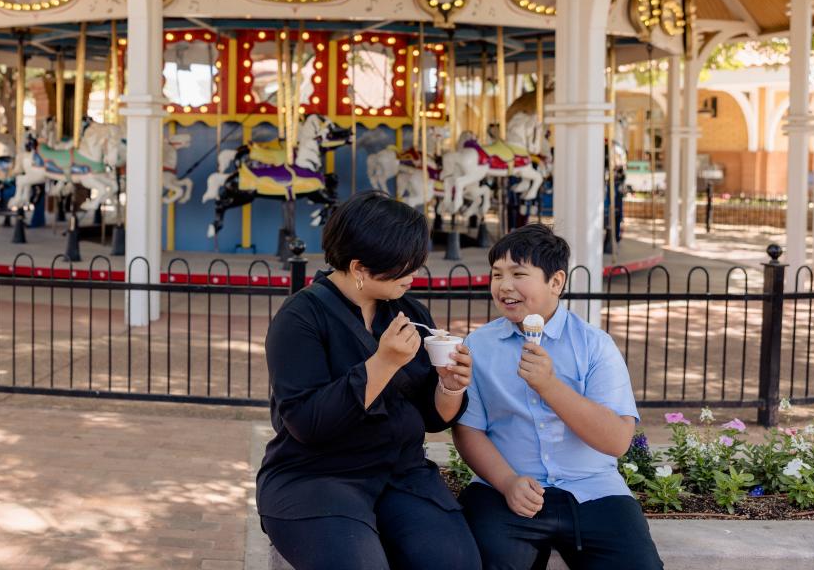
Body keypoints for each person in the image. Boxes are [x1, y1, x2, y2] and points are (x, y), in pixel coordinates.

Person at [257, 191, 481, 570]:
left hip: (400, 474)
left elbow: (433, 418)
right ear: (360, 268)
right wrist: (382, 364)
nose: (414, 275)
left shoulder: (407, 309)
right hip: (316, 477)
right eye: (404, 266)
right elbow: (308, 424)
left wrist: (451, 385)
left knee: (455, 562)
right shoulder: (300, 318)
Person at [453, 224, 663, 570]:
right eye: (496, 275)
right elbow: (468, 430)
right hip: (504, 490)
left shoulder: (595, 346)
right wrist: (507, 483)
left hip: (594, 490)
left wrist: (549, 386)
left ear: (556, 282)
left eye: (519, 273)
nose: (504, 286)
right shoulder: (479, 346)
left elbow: (616, 440)